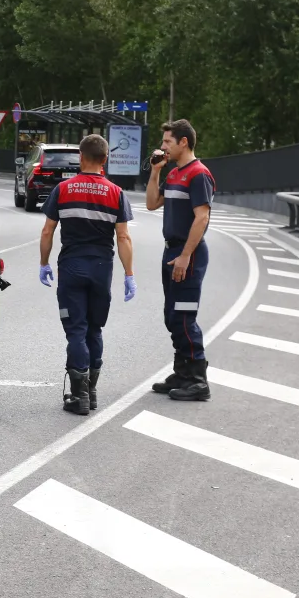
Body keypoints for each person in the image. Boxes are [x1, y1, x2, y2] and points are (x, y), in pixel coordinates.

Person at [39, 135, 136, 415]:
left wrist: (44, 263)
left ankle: (79, 396)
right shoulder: (117, 193)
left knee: (76, 331)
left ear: (81, 157)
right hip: (101, 270)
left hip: (71, 269)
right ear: (105, 160)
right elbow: (124, 237)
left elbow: (48, 231)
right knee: (95, 329)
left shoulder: (63, 189)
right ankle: (91, 393)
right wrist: (129, 274)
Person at [146, 119, 215, 401]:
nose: (162, 147)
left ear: (183, 142)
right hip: (171, 251)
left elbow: (202, 216)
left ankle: (198, 380)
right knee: (172, 315)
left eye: (167, 142)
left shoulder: (198, 174)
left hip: (189, 254)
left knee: (184, 315)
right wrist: (155, 172)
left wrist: (186, 256)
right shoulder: (174, 173)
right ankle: (182, 371)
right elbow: (151, 203)